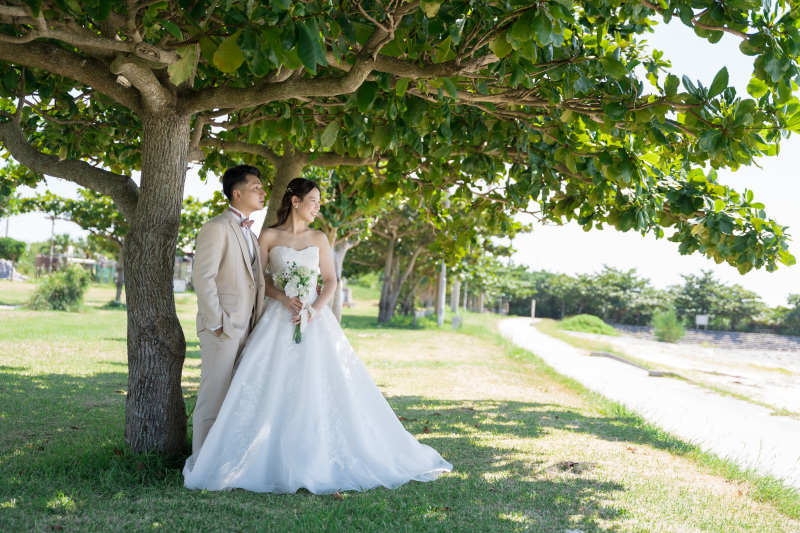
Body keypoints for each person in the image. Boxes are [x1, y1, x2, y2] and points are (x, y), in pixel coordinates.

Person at [183, 177, 452, 494]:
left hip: (315, 321)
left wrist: (313, 310)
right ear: (295, 201)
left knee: (321, 388)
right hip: (277, 320)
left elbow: (330, 280)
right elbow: (259, 281)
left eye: (319, 202)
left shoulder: (320, 238)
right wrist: (283, 298)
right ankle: (251, 455)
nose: (318, 207)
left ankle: (314, 454)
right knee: (264, 387)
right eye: (313, 201)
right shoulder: (268, 236)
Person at [190, 165, 267, 458]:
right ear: (237, 193)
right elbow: (203, 278)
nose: (262, 192)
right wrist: (218, 324)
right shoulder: (216, 227)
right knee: (213, 399)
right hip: (222, 328)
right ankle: (201, 463)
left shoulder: (250, 231)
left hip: (247, 327)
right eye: (256, 187)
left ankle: (224, 460)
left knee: (235, 399)